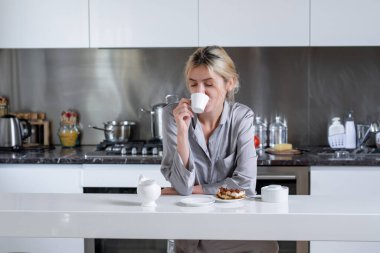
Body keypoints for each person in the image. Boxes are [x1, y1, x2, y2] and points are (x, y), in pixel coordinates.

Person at [160, 46, 279, 253]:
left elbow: (246, 184)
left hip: (232, 227)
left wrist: (193, 191)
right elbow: (181, 185)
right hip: (189, 230)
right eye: (193, 84)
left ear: (229, 83)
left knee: (268, 246)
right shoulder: (173, 116)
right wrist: (182, 131)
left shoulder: (242, 117)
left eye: (208, 84)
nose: (199, 92)